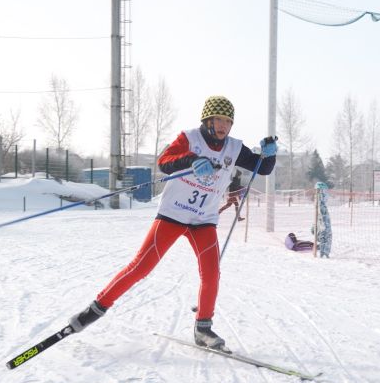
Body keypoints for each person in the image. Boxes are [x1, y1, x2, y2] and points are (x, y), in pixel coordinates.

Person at [66, 95, 277, 352]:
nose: (223, 125)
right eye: (218, 119)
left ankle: (203, 329)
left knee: (211, 273)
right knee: (140, 267)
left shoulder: (234, 148)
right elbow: (164, 162)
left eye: (227, 121)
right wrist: (190, 160)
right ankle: (94, 310)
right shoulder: (190, 138)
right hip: (173, 215)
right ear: (207, 120)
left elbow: (261, 169)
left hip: (204, 220)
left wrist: (269, 155)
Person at [313, 182, 333, 257]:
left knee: (324, 237)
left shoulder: (320, 203)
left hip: (323, 225)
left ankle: (323, 253)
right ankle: (324, 253)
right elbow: (320, 215)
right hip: (324, 226)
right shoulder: (320, 203)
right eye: (325, 191)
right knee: (326, 237)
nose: (327, 194)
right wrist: (320, 225)